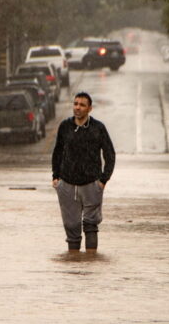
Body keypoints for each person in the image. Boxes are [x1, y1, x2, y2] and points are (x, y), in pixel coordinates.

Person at [52, 92, 115, 253]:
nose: (77, 108)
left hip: (91, 184)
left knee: (90, 225)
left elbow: (110, 154)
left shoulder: (98, 128)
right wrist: (55, 177)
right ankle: (74, 268)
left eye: (82, 105)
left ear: (89, 108)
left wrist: (102, 181)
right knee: (71, 227)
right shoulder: (65, 126)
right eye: (75, 104)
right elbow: (57, 152)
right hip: (67, 183)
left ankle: (90, 265)